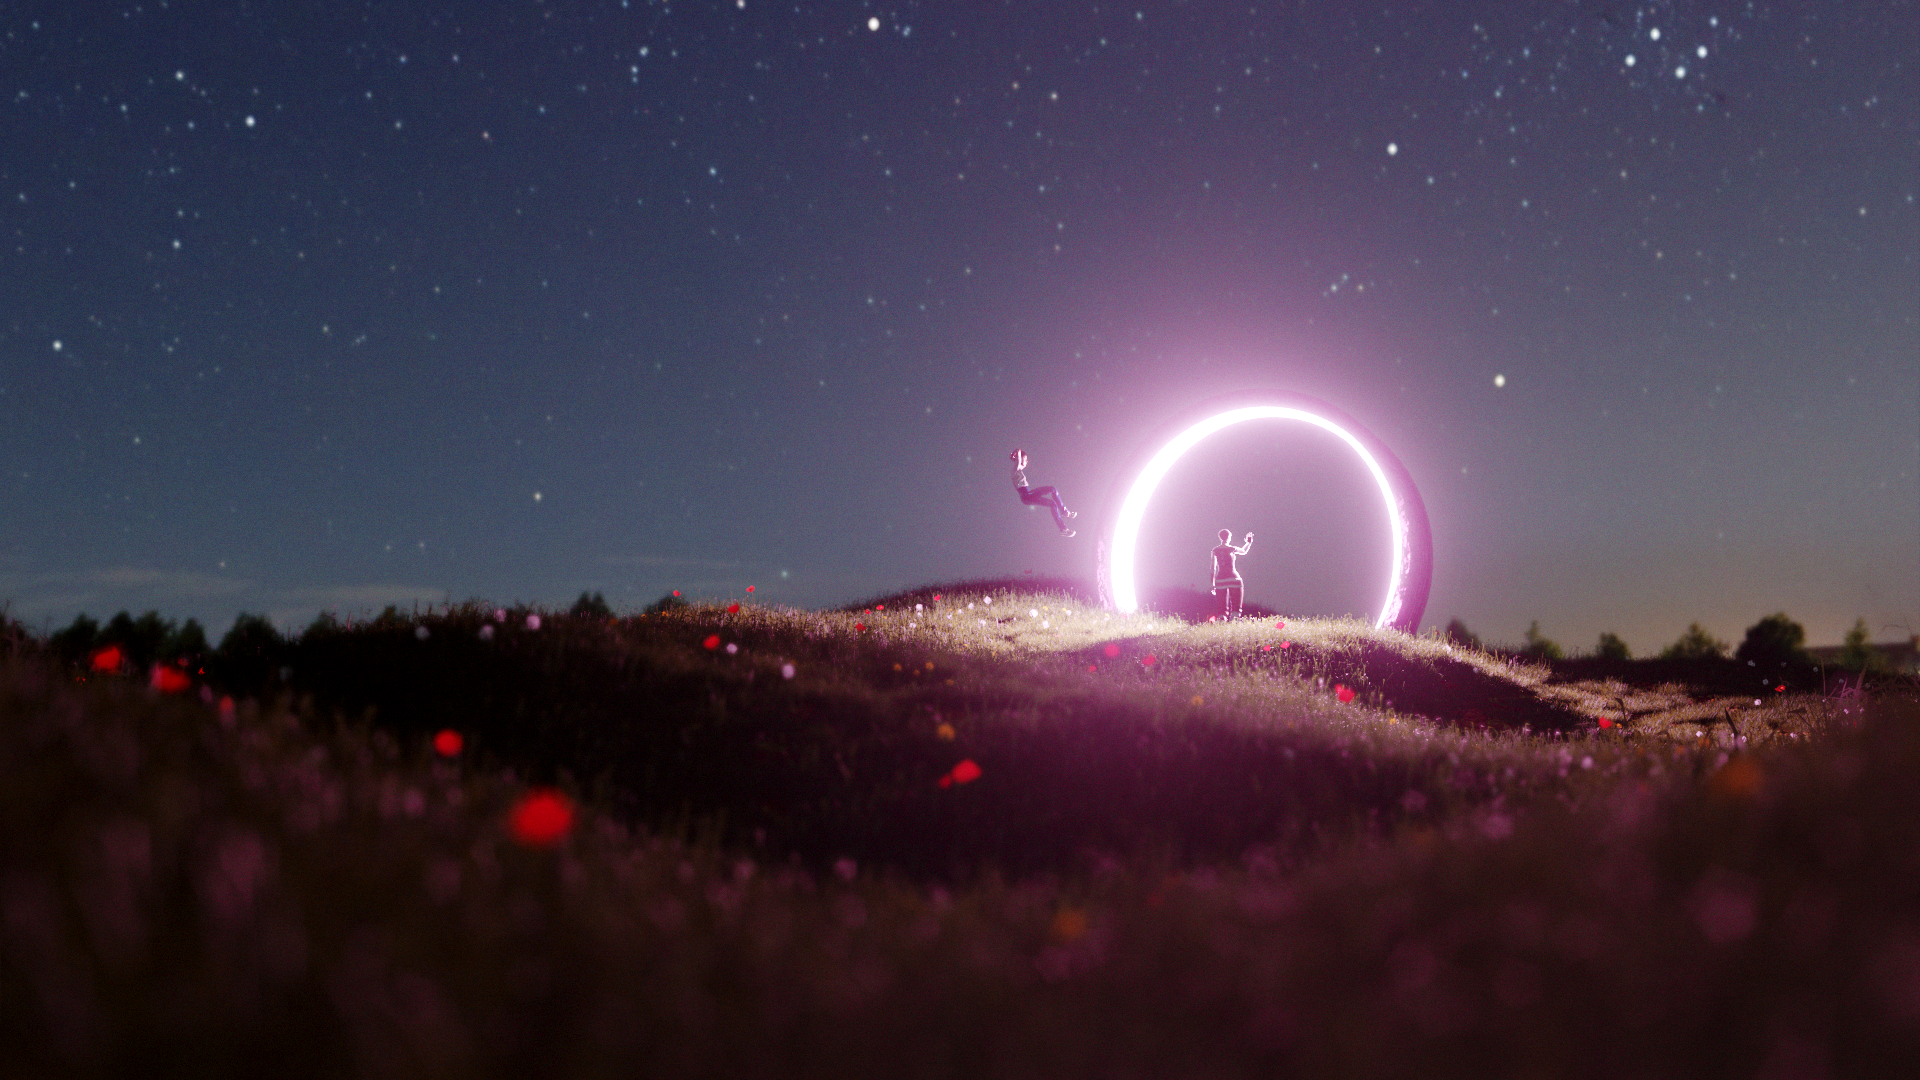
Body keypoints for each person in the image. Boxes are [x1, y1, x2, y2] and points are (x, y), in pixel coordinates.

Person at [1009, 449, 1076, 537]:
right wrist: (1017, 453)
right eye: (1025, 460)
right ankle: (1065, 512)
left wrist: (1016, 456)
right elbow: (1018, 455)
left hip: (1027, 497)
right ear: (1020, 460)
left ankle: (1063, 529)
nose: (1027, 461)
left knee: (1052, 504)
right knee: (1052, 489)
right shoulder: (1015, 470)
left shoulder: (1017, 471)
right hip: (1027, 496)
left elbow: (1019, 461)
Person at [1210, 529, 1253, 620]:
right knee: (1236, 601)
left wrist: (1212, 584)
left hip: (1220, 580)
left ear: (1220, 537)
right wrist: (1248, 542)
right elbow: (1244, 551)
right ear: (1229, 537)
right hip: (1233, 578)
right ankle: (1235, 616)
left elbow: (1213, 568)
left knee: (1222, 605)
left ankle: (1222, 618)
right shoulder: (1232, 549)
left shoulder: (1215, 550)